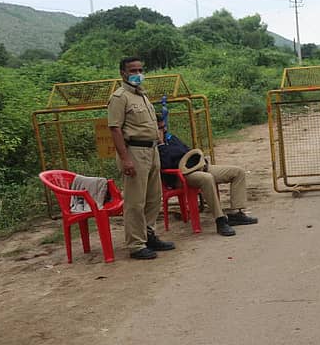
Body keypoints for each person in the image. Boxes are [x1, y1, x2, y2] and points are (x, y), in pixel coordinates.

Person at [108, 57, 175, 260]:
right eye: (132, 70)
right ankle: (136, 244)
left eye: (140, 69)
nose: (137, 73)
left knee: (154, 197)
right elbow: (115, 129)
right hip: (134, 152)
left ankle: (149, 234)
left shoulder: (141, 95)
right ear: (123, 73)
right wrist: (125, 158)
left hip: (152, 150)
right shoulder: (120, 97)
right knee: (135, 201)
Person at [156, 114, 258, 236]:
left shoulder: (172, 138)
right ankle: (220, 220)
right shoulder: (154, 147)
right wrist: (161, 144)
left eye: (164, 126)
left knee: (238, 172)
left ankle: (236, 213)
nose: (164, 129)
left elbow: (189, 152)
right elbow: (165, 165)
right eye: (160, 128)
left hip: (198, 168)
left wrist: (202, 162)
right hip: (180, 177)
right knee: (207, 179)